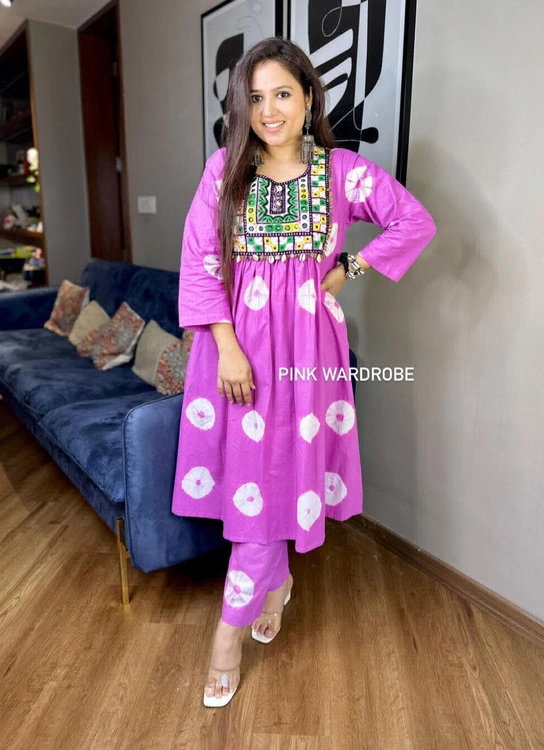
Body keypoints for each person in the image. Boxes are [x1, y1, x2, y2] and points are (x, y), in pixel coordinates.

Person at [171, 37, 437, 708]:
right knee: (252, 483)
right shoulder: (225, 171)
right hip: (235, 354)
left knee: (282, 470)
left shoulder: (342, 172)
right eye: (255, 97)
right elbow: (201, 259)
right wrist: (227, 347)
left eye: (282, 93)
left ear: (309, 96)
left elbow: (413, 220)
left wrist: (348, 268)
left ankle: (229, 635)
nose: (268, 110)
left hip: (307, 355)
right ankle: (271, 587)